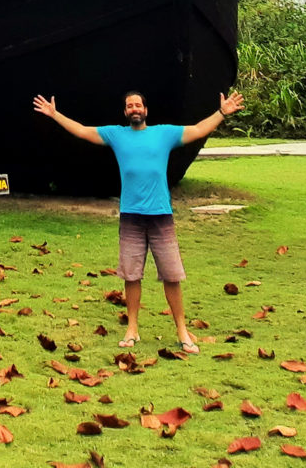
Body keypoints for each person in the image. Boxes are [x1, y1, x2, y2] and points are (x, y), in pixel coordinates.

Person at [32, 87, 244, 351]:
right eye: (130, 106)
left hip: (160, 216)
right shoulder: (116, 135)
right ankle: (132, 329)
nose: (134, 109)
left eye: (138, 105)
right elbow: (83, 130)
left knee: (172, 275)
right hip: (131, 217)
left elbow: (199, 129)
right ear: (125, 112)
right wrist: (54, 114)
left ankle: (182, 331)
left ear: (146, 110)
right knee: (131, 276)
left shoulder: (163, 134)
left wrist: (222, 113)